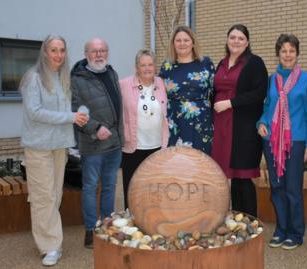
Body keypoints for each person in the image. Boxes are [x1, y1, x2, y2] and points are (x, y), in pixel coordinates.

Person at [20, 34, 88, 266]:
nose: (58, 55)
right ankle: (49, 246)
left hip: (59, 146)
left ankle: (49, 238)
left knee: (54, 195)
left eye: (62, 50)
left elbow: (73, 105)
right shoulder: (34, 78)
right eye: (53, 50)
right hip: (38, 146)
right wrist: (70, 117)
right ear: (44, 52)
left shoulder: (63, 78)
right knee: (43, 197)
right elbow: (34, 112)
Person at [257, 34, 307, 250]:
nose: (287, 55)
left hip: (296, 141)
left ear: (297, 53)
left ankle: (295, 232)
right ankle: (281, 229)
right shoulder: (271, 80)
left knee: (293, 188)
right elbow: (267, 107)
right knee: (276, 187)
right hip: (272, 140)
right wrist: (261, 123)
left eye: (291, 51)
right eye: (283, 51)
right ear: (278, 54)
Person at [71, 38, 124, 249]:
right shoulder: (77, 79)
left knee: (110, 186)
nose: (99, 55)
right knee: (91, 188)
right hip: (92, 145)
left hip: (114, 144)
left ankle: (108, 224)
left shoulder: (111, 73)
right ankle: (91, 230)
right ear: (86, 54)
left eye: (103, 50)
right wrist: (94, 128)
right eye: (94, 51)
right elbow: (76, 110)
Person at [211, 24, 268, 217]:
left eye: (241, 38)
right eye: (232, 37)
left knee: (243, 178)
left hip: (242, 128)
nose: (236, 41)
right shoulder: (222, 63)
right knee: (231, 177)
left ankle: (251, 222)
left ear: (247, 42)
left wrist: (230, 103)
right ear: (227, 40)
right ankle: (236, 219)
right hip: (222, 127)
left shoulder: (254, 63)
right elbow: (215, 91)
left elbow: (259, 93)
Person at [119, 49, 169, 209]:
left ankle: (153, 222)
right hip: (133, 147)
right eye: (143, 65)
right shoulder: (124, 85)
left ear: (155, 66)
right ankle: (131, 225)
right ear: (136, 68)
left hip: (157, 148)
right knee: (132, 189)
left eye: (150, 64)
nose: (147, 68)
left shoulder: (161, 83)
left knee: (154, 190)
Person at [159, 25, 214, 153]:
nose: (182, 43)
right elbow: (160, 94)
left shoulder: (205, 63)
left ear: (193, 43)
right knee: (176, 161)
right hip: (175, 121)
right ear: (173, 43)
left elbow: (214, 91)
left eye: (186, 40)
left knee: (201, 161)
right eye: (178, 40)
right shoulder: (167, 66)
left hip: (201, 121)